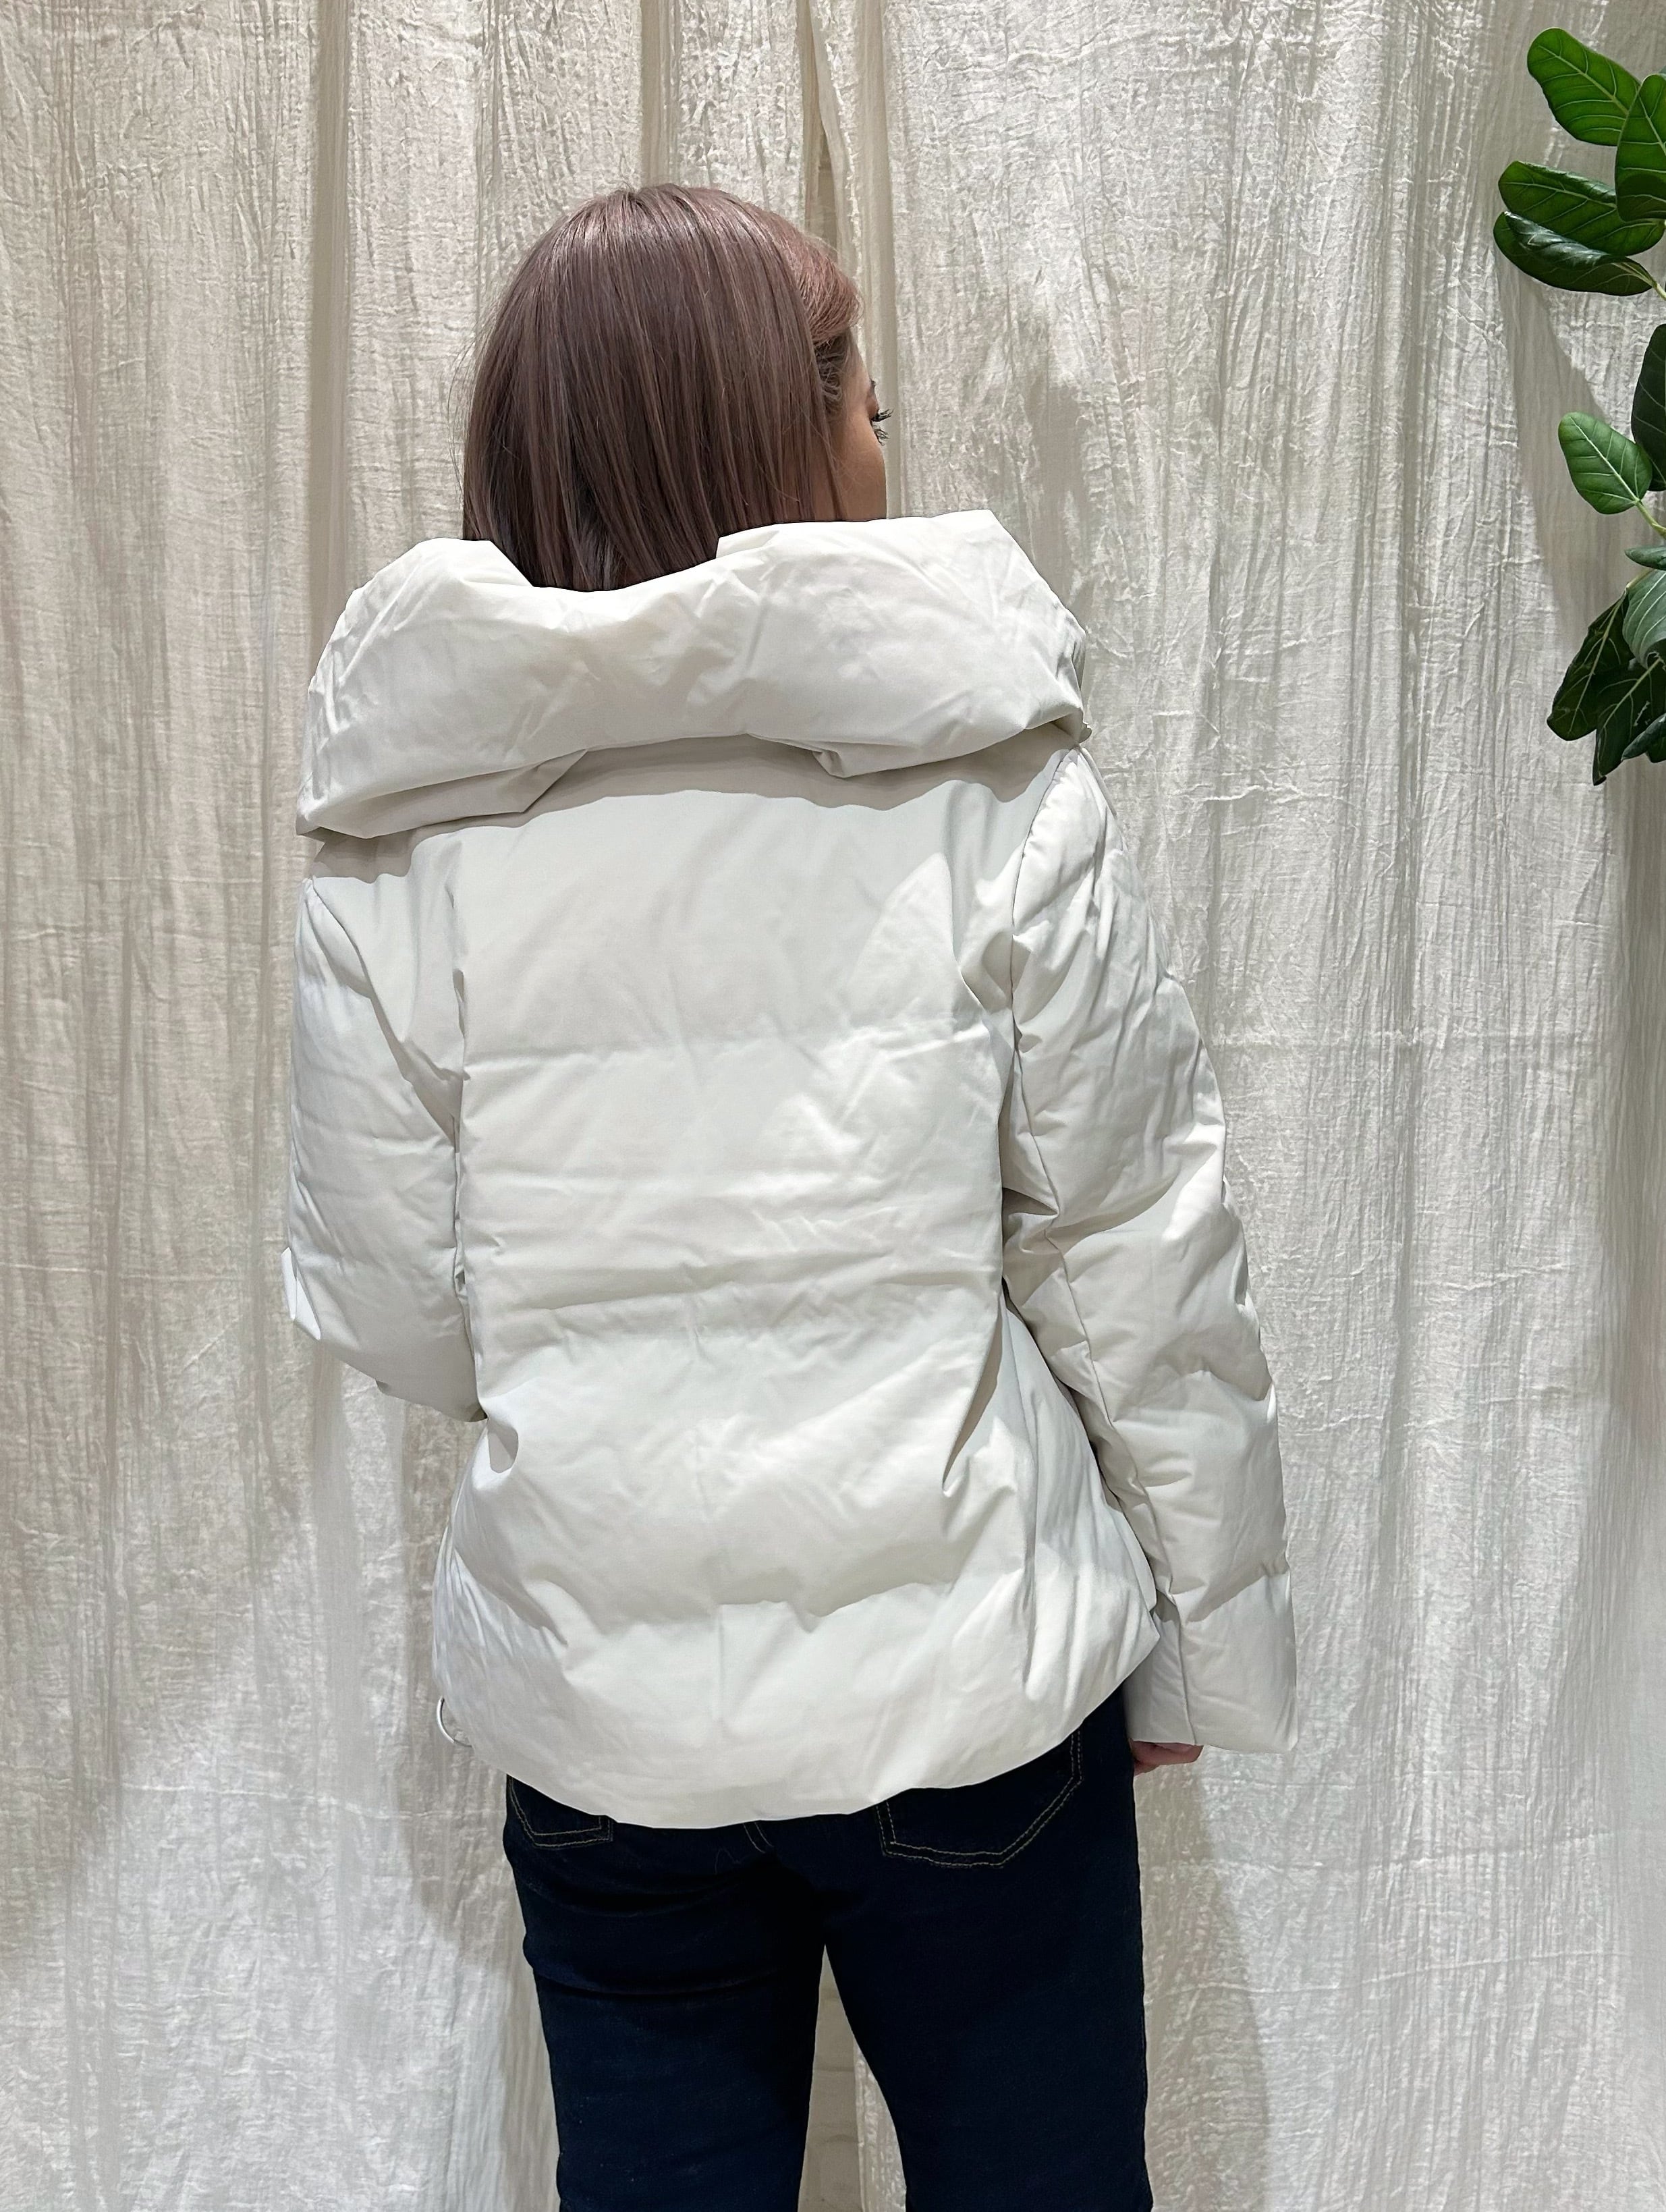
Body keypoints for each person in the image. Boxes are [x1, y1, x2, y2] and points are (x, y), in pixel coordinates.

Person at [283, 182, 1296, 2212]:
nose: (885, 437)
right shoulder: (986, 780)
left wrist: (616, 1392)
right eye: (861, 396)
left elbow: (395, 1305)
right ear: (773, 434)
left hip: (610, 1720)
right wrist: (1208, 1641)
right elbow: (1135, 1254)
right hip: (969, 1693)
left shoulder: (402, 843)